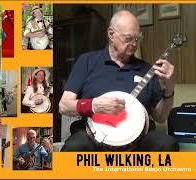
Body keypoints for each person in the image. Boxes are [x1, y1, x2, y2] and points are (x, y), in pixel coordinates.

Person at [59, 10, 179, 152]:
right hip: (94, 136)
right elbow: (64, 106)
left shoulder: (147, 70)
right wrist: (94, 105)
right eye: (128, 38)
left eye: (137, 38)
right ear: (111, 34)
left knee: (167, 144)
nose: (134, 44)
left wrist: (169, 86)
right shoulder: (87, 61)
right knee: (75, 147)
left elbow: (160, 117)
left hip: (138, 138)